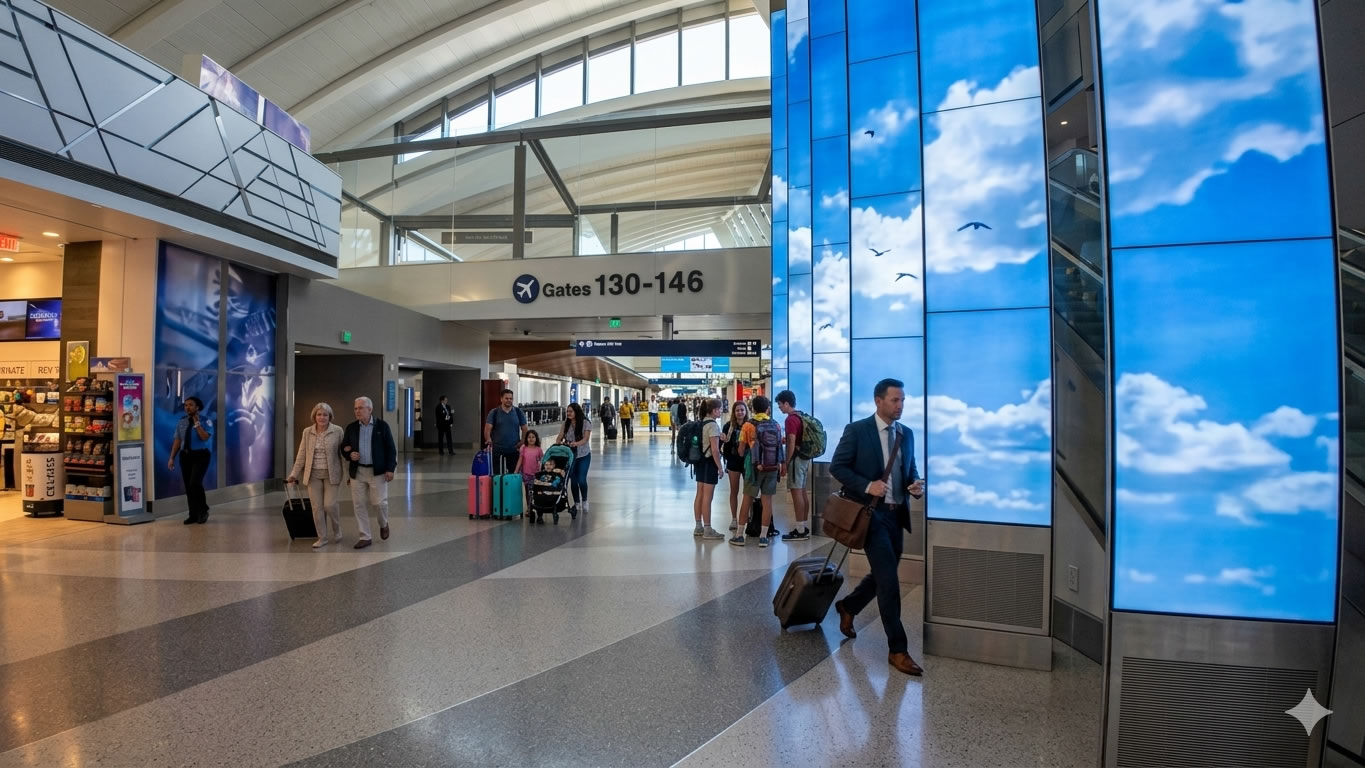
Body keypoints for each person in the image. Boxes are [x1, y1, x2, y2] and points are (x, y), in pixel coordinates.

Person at [830, 378, 925, 677]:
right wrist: (867, 485)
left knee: (884, 574)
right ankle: (898, 649)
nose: (900, 405)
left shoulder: (906, 434)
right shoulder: (857, 431)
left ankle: (849, 605)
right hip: (870, 516)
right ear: (878, 401)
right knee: (889, 582)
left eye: (903, 400)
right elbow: (838, 467)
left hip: (897, 515)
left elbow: (910, 468)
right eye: (895, 400)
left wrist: (916, 485)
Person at [341, 396, 397, 550]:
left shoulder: (382, 426)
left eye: (361, 408)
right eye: (356, 408)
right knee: (359, 504)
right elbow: (344, 447)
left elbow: (391, 449)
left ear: (370, 409)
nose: (357, 411)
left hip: (377, 472)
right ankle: (365, 536)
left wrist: (390, 469)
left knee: (379, 503)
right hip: (357, 472)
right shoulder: (351, 428)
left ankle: (383, 523)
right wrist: (349, 454)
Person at [287, 402, 345, 549]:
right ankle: (322, 537)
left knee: (330, 505)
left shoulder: (337, 431)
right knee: (316, 508)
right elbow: (301, 455)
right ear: (314, 416)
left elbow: (343, 455)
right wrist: (293, 474)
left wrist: (350, 474)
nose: (322, 417)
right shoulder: (307, 432)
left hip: (332, 474)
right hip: (312, 475)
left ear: (330, 416)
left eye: (325, 415)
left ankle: (337, 529)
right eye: (319, 414)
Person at [729, 395, 782, 548]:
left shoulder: (748, 426)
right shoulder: (776, 425)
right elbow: (779, 448)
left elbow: (740, 451)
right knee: (767, 501)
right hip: (771, 467)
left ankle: (739, 535)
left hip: (753, 468)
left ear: (752, 409)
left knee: (747, 499)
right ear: (768, 409)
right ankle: (764, 537)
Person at [167, 395, 213, 524]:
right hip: (186, 456)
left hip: (201, 456)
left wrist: (197, 424)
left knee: (195, 483)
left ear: (197, 407)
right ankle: (193, 514)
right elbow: (177, 440)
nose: (187, 407)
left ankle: (203, 510)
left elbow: (204, 437)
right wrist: (172, 458)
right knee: (188, 486)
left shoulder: (206, 421)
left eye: (191, 405)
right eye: (186, 405)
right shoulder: (182, 422)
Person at [776, 390, 811, 541]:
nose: (780, 408)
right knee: (802, 492)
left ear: (786, 403)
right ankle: (803, 525)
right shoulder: (801, 415)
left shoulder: (790, 419)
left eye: (780, 405)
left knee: (796, 493)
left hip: (796, 459)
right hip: (804, 457)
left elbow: (791, 441)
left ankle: (800, 529)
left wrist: (786, 461)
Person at [691, 398, 726, 539]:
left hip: (699, 462)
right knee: (708, 496)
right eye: (720, 408)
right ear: (714, 410)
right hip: (709, 463)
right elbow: (715, 450)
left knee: (699, 493)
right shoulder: (713, 426)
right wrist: (720, 467)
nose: (721, 411)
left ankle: (698, 526)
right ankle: (708, 529)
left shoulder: (702, 423)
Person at [720, 400, 749, 531]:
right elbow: (724, 445)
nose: (740, 412)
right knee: (734, 491)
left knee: (748, 492)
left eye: (742, 410)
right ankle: (734, 518)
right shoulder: (728, 427)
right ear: (734, 412)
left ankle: (747, 516)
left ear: (746, 411)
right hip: (733, 461)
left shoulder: (750, 425)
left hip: (747, 461)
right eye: (737, 410)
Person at [483, 388, 527, 475]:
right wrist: (488, 440)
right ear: (501, 399)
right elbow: (487, 429)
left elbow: (525, 428)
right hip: (497, 450)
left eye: (511, 398)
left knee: (513, 474)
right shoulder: (494, 412)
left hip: (514, 450)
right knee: (497, 475)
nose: (509, 400)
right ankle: (498, 488)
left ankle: (511, 489)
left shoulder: (518, 412)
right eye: (506, 398)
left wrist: (522, 441)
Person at [558, 403, 592, 514]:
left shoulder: (586, 423)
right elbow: (560, 436)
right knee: (573, 481)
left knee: (581, 479)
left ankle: (585, 500)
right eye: (567, 411)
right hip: (570, 455)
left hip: (583, 455)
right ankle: (576, 502)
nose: (568, 413)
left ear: (576, 412)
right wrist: (557, 444)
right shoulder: (566, 424)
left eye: (570, 411)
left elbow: (585, 439)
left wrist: (575, 443)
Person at [515, 429, 544, 510]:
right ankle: (529, 508)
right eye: (529, 437)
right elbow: (520, 460)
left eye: (533, 437)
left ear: (536, 438)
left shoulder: (538, 449)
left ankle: (537, 506)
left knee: (536, 491)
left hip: (536, 474)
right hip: (526, 474)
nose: (531, 439)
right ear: (526, 439)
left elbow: (542, 461)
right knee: (528, 492)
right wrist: (516, 471)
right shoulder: (523, 448)